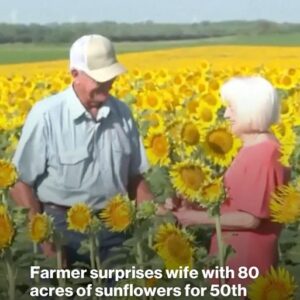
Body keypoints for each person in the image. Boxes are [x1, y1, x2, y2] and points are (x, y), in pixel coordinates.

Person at [10, 34, 153, 266]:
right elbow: (19, 181)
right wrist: (45, 239)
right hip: (61, 228)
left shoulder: (122, 113)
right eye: (99, 78)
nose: (107, 84)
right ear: (75, 74)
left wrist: (153, 218)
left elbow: (135, 178)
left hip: (117, 228)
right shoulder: (47, 115)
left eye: (110, 77)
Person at [172, 76, 290, 287]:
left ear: (250, 110)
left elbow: (250, 218)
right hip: (234, 257)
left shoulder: (264, 153)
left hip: (246, 261)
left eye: (232, 109)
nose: (226, 115)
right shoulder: (252, 148)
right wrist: (196, 204)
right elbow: (236, 202)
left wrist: (195, 217)